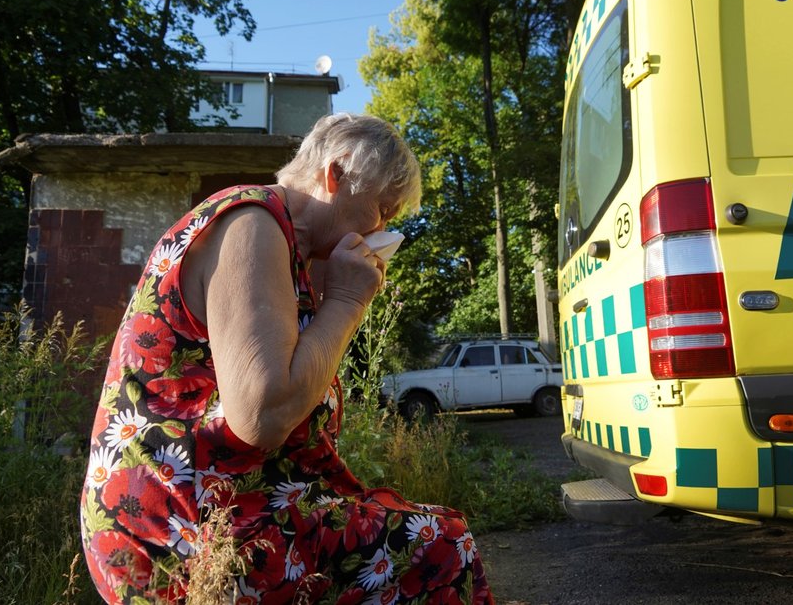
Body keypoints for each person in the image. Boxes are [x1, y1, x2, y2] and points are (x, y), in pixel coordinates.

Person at [80, 113, 494, 604]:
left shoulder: (283, 246)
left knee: (426, 532)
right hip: (177, 527)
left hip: (218, 503)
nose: (382, 228)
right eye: (381, 210)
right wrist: (346, 302)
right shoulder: (250, 223)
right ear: (335, 175)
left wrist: (326, 293)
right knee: (444, 548)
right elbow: (263, 415)